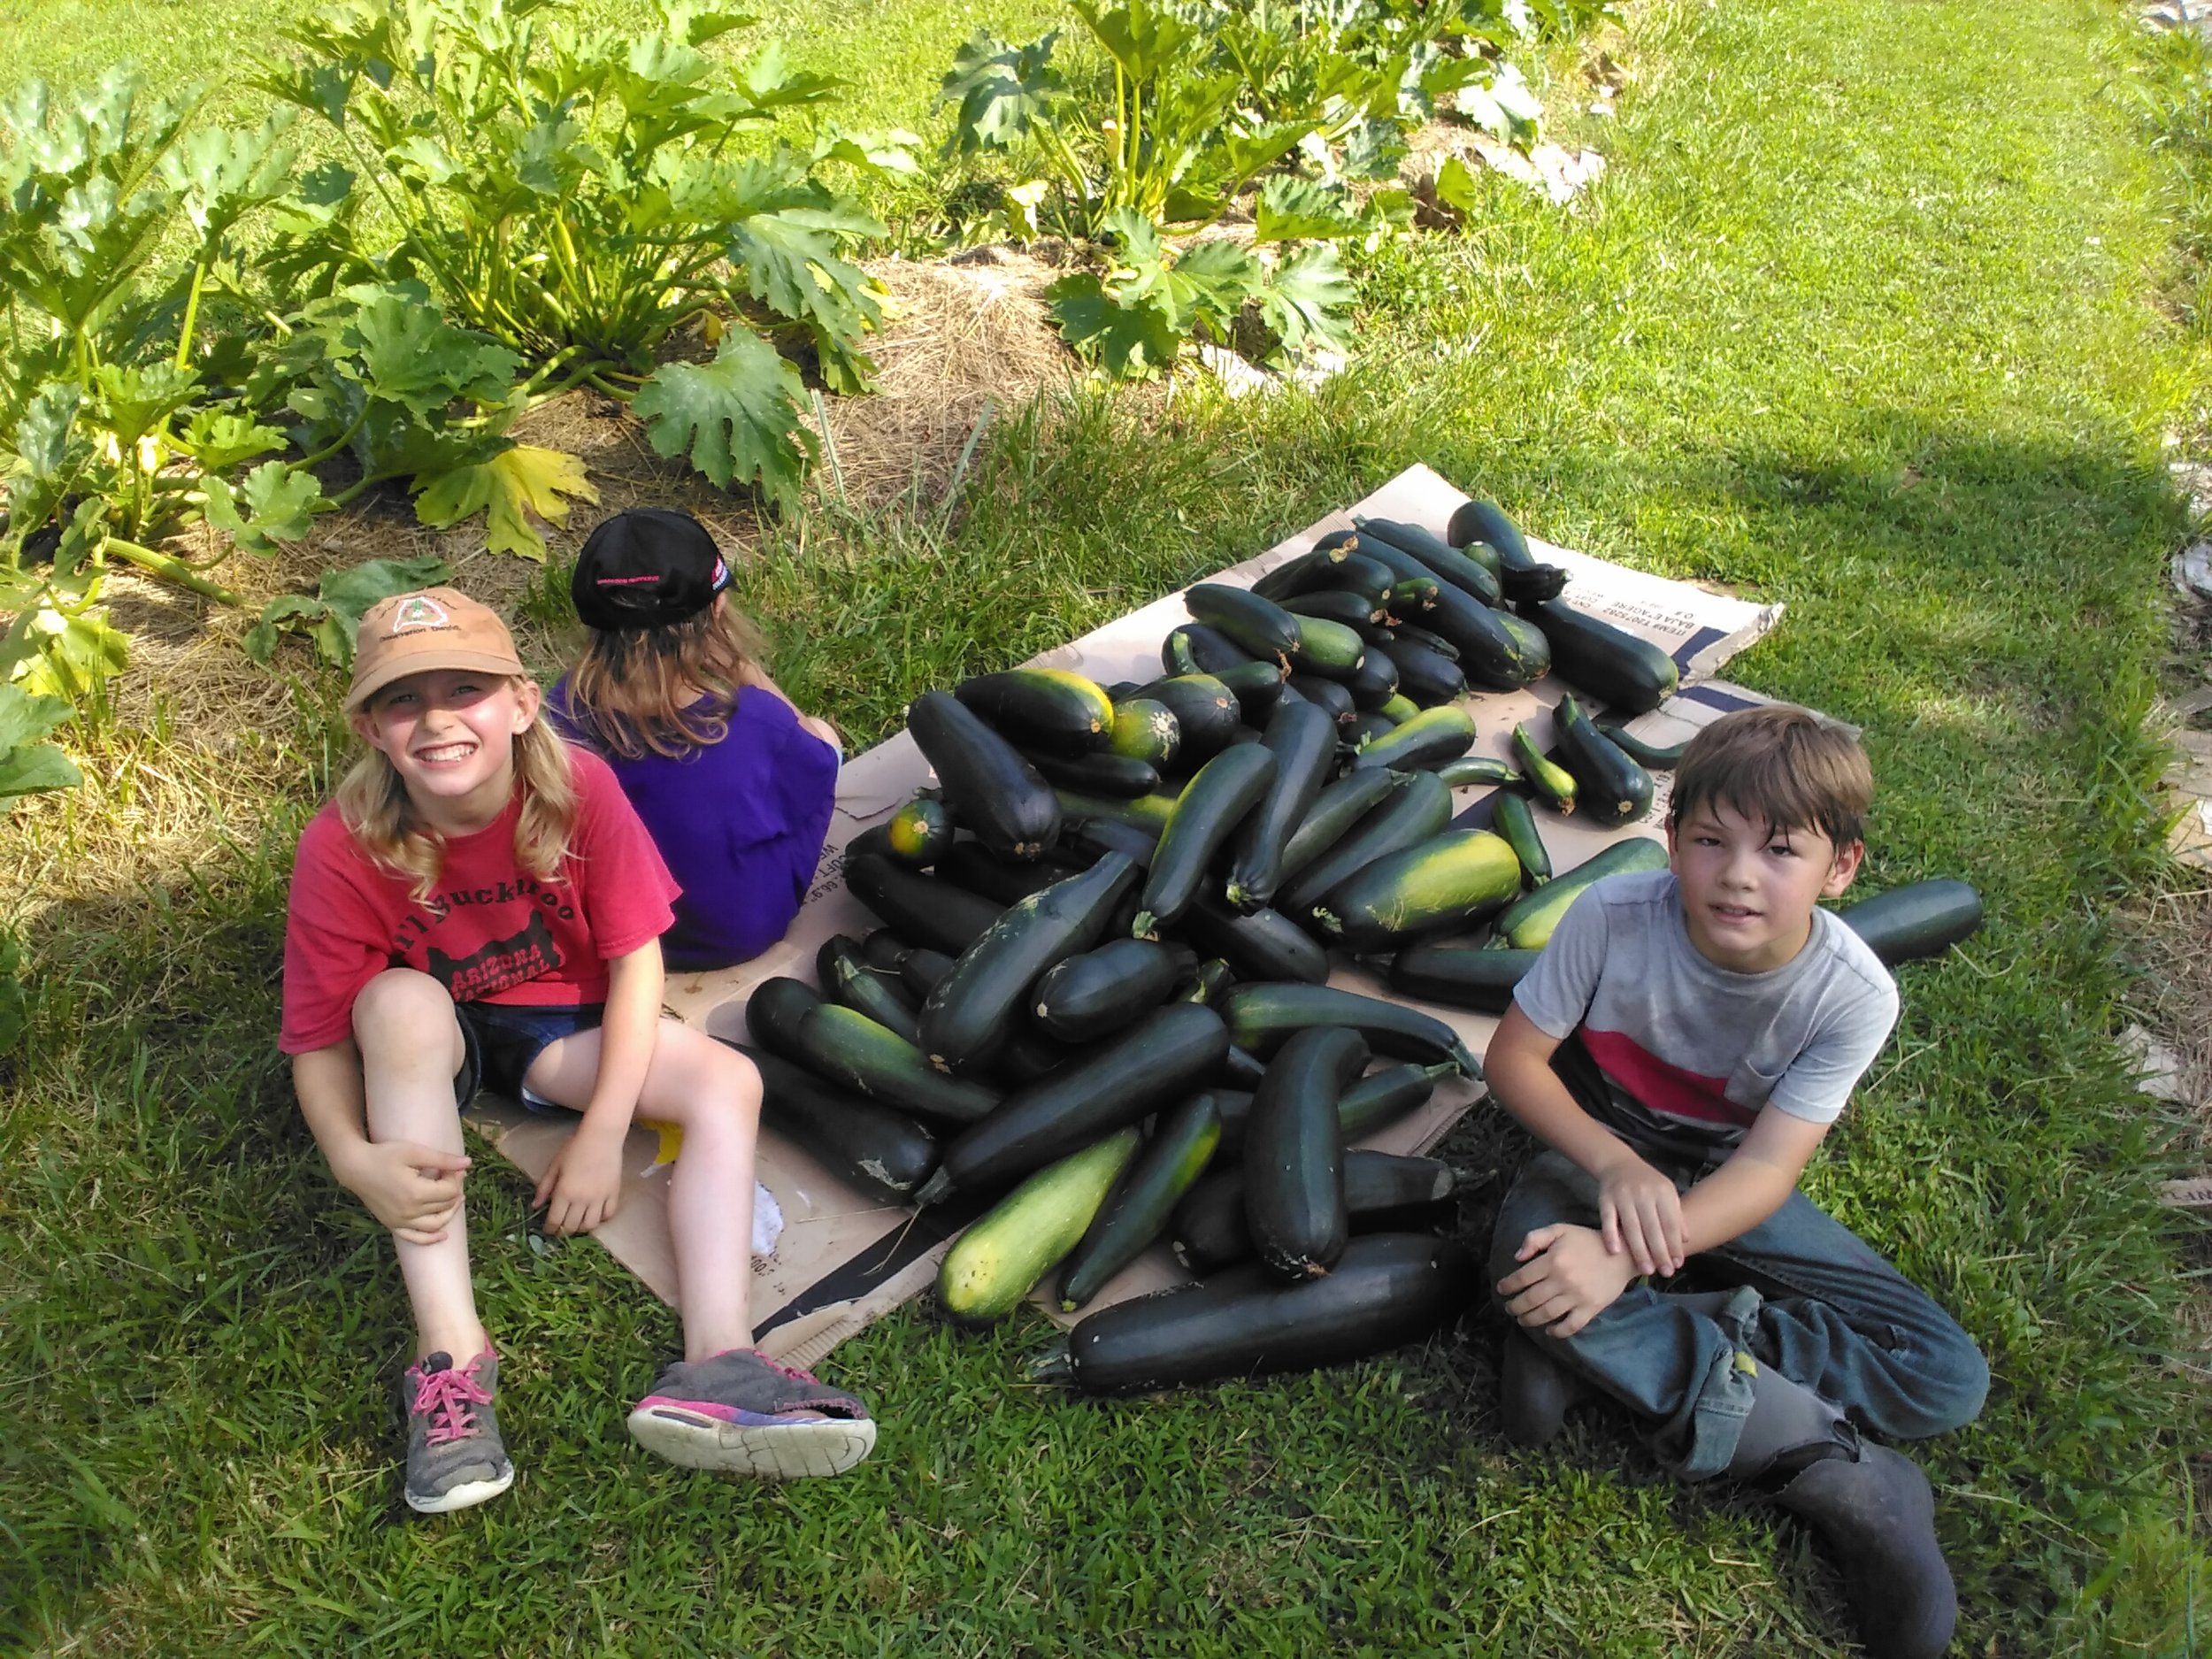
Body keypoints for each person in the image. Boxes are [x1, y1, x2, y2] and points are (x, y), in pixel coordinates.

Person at [280, 587, 875, 1516]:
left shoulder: (577, 789)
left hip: (557, 1027)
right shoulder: (345, 844)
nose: (438, 719)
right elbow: (316, 1038)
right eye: (405, 700)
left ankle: (719, 1358)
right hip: (438, 1031)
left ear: (520, 704)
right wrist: (354, 1160)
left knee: (726, 1079)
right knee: (397, 1002)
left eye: (465, 689)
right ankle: (452, 1368)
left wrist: (602, 1131)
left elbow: (639, 960)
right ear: (371, 729)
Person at [1482, 704, 1987, 1659]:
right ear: (1669, 842)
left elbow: (1764, 1170)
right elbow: (1515, 1063)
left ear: (1841, 868)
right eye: (1710, 840)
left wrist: (1620, 1258)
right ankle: (1838, 1475)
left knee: (1947, 1376)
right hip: (1589, 1149)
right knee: (1525, 1264)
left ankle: (1635, 1336)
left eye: (1780, 851)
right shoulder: (1609, 916)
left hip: (1723, 1179)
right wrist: (1615, 1169)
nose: (1738, 875)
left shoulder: (1852, 994)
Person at [547, 508, 841, 973]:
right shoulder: (752, 721)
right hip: (737, 934)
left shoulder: (558, 713)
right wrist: (746, 670)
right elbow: (822, 765)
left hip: (623, 940)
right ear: (717, 609)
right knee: (821, 738)